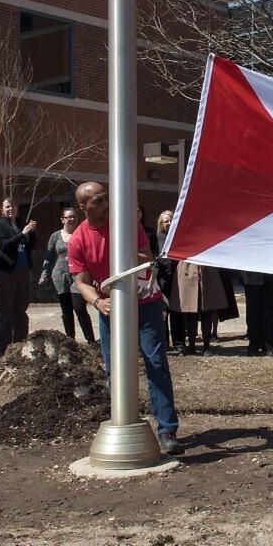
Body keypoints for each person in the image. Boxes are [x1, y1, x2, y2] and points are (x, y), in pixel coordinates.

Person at [67, 182, 182, 455]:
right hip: (110, 309)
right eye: (97, 200)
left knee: (156, 363)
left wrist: (130, 277)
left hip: (145, 303)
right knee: (113, 368)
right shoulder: (79, 239)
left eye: (106, 198)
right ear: (83, 207)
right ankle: (123, 422)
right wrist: (97, 301)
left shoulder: (126, 223)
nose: (106, 204)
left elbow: (145, 255)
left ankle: (167, 430)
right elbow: (80, 281)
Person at [40, 207, 96, 344]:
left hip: (78, 275)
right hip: (60, 276)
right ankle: (70, 340)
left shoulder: (81, 234)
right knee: (66, 311)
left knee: (79, 307)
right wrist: (44, 272)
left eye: (74, 217)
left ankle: (91, 340)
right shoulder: (55, 236)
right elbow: (48, 255)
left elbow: (90, 255)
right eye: (68, 217)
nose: (71, 219)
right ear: (62, 220)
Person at [0, 197, 37, 354]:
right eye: (7, 206)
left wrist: (31, 232)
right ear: (2, 210)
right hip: (6, 272)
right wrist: (22, 234)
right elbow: (2, 245)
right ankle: (3, 346)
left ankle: (20, 342)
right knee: (5, 308)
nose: (11, 209)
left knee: (20, 308)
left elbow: (32, 245)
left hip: (23, 270)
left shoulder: (21, 223)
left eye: (13, 206)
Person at [169, 262, 226, 356]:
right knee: (191, 312)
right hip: (188, 269)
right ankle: (191, 346)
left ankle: (206, 346)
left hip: (207, 268)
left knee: (207, 312)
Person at [154, 210, 185, 352]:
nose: (168, 223)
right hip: (161, 278)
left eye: (170, 220)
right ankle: (164, 342)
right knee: (163, 311)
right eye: (165, 221)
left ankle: (179, 342)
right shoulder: (156, 237)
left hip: (177, 277)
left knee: (177, 311)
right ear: (160, 223)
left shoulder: (179, 237)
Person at [243, 271, 273, 356]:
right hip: (251, 278)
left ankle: (268, 344)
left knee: (269, 313)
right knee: (253, 313)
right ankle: (253, 345)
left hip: (270, 278)